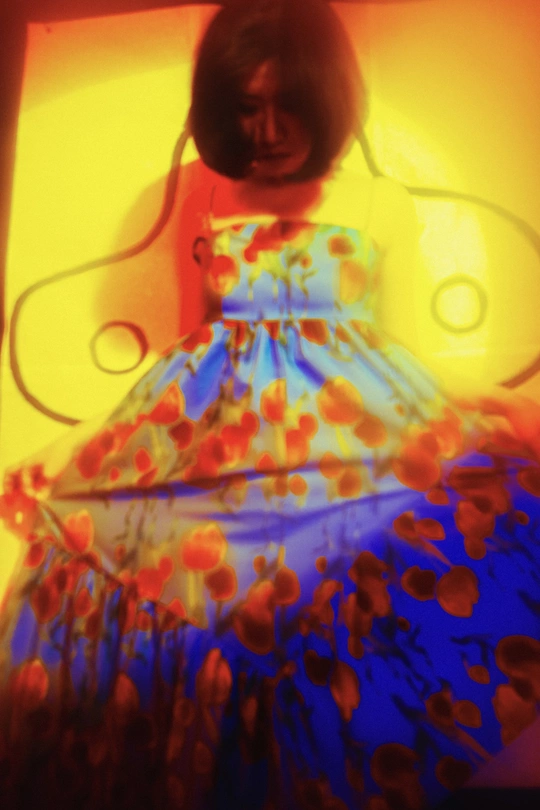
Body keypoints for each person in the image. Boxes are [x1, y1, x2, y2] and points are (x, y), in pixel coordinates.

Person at [1, 1, 540, 808]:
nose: (269, 129)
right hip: (222, 446)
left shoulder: (379, 202)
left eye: (290, 102)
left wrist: (501, 407)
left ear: (327, 94)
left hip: (344, 446)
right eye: (248, 106)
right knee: (196, 605)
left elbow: (410, 348)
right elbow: (188, 340)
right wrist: (90, 439)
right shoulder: (212, 195)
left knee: (340, 615)